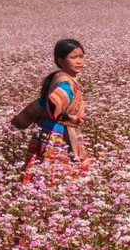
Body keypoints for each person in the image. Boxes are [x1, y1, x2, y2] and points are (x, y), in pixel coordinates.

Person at [20, 39, 89, 176]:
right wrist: (56, 103)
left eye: (81, 56)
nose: (79, 61)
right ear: (61, 61)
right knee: (61, 169)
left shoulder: (58, 77)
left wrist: (24, 118)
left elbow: (42, 101)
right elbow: (60, 96)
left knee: (44, 166)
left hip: (48, 126)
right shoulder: (65, 81)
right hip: (60, 131)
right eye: (73, 57)